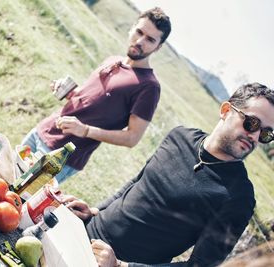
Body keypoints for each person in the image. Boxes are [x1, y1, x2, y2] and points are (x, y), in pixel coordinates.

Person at [62, 83, 274, 267]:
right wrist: (94, 210)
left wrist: (121, 265)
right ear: (226, 110)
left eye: (265, 133)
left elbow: (199, 265)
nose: (254, 136)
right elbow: (137, 183)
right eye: (252, 123)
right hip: (84, 231)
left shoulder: (239, 197)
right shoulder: (179, 136)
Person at [21, 7, 171, 183]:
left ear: (158, 47)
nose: (140, 41)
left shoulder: (149, 86)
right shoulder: (112, 60)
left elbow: (132, 138)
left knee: (18, 199)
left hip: (62, 155)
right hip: (42, 131)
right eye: (139, 32)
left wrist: (85, 130)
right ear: (132, 28)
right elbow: (93, 101)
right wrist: (69, 92)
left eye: (150, 39)